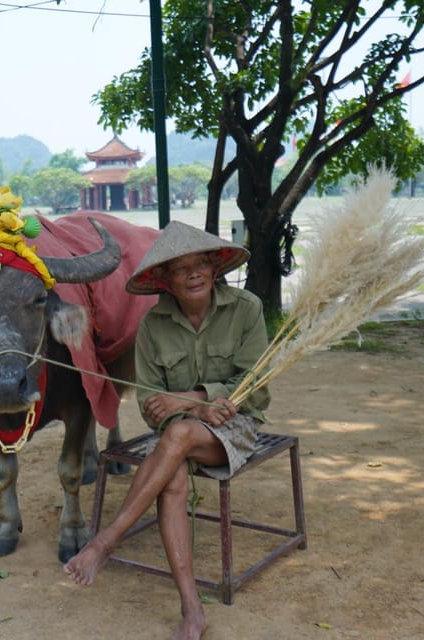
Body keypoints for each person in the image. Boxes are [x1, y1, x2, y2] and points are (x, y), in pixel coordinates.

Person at [63, 221, 271, 640]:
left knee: (175, 440)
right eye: (181, 268)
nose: (193, 274)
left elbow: (255, 388)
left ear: (215, 270)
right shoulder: (153, 325)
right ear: (165, 280)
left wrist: (188, 398)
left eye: (201, 265)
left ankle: (105, 541)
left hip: (238, 427)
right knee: (172, 471)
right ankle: (191, 608)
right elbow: (151, 404)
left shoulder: (246, 309)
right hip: (178, 432)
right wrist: (193, 406)